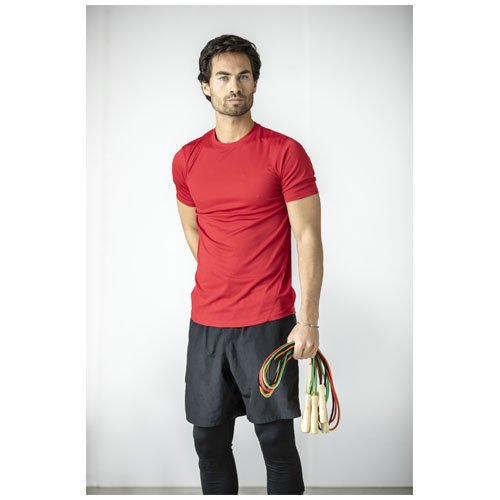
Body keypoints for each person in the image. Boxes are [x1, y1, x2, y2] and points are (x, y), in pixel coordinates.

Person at [171, 34, 323, 495]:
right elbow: (194, 231)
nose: (234, 86)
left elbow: (308, 236)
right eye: (223, 77)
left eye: (243, 76)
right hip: (208, 323)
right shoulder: (187, 159)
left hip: (267, 322)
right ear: (205, 86)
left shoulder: (284, 152)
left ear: (255, 83)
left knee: (274, 439)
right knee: (208, 440)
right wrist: (224, 277)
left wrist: (308, 321)